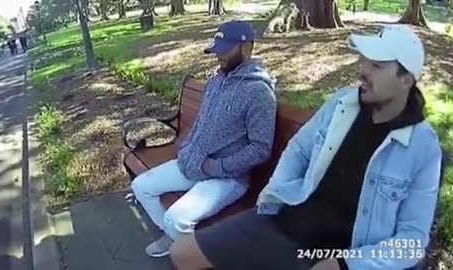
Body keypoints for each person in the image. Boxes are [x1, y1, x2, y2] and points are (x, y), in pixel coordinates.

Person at [169, 24, 443, 270]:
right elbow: (298, 149)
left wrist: (347, 265)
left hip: (343, 252)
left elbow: (412, 240)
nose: (363, 71)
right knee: (182, 253)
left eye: (377, 66)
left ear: (407, 80)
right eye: (365, 62)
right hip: (289, 221)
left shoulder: (422, 146)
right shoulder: (342, 104)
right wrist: (274, 193)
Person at [130, 20, 277, 258]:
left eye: (225, 49)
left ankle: (193, 256)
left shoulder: (259, 93)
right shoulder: (216, 81)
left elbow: (260, 149)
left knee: (176, 217)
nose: (218, 56)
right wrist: (187, 145)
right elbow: (201, 120)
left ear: (247, 47)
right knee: (141, 186)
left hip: (229, 177)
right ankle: (174, 238)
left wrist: (217, 166)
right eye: (217, 49)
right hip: (195, 161)